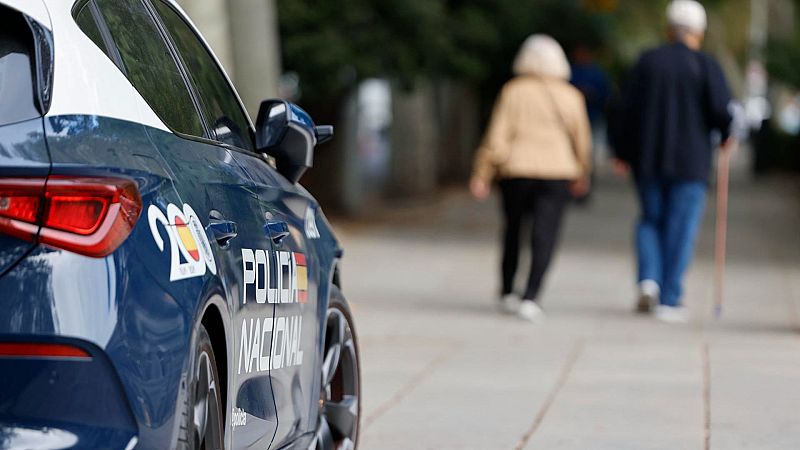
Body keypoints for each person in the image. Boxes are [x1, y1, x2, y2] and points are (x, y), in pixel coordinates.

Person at [609, 0, 735, 323]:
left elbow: (623, 110)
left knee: (650, 219)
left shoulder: (647, 62)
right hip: (690, 163)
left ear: (668, 29)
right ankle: (670, 296)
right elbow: (723, 112)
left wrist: (620, 151)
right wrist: (726, 135)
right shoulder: (705, 66)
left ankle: (648, 279)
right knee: (681, 226)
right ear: (699, 32)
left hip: (648, 158)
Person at [470, 34, 592, 322]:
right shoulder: (571, 95)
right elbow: (582, 140)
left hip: (516, 170)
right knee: (545, 234)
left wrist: (482, 172)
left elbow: (497, 136)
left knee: (513, 229)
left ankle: (508, 289)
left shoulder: (513, 91)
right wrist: (582, 171)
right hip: (558, 171)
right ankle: (532, 295)